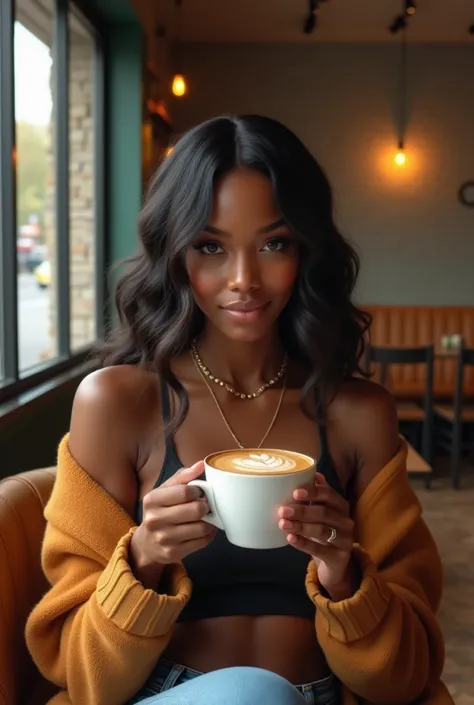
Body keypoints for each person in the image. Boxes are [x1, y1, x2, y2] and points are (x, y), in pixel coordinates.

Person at [26, 115, 453, 705]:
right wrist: (145, 559)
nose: (245, 280)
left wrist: (344, 576)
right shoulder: (118, 403)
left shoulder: (359, 413)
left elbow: (402, 678)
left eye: (274, 244)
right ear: (174, 255)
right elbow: (83, 677)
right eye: (210, 247)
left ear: (307, 251)